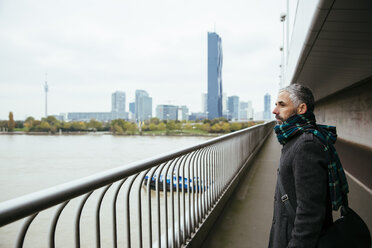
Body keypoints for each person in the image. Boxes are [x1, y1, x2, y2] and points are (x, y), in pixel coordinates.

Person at [268, 84, 349, 248]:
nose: (275, 110)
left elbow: (310, 212)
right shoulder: (295, 138)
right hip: (285, 232)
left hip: (292, 238)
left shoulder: (306, 144)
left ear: (301, 108)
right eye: (276, 104)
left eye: (281, 105)